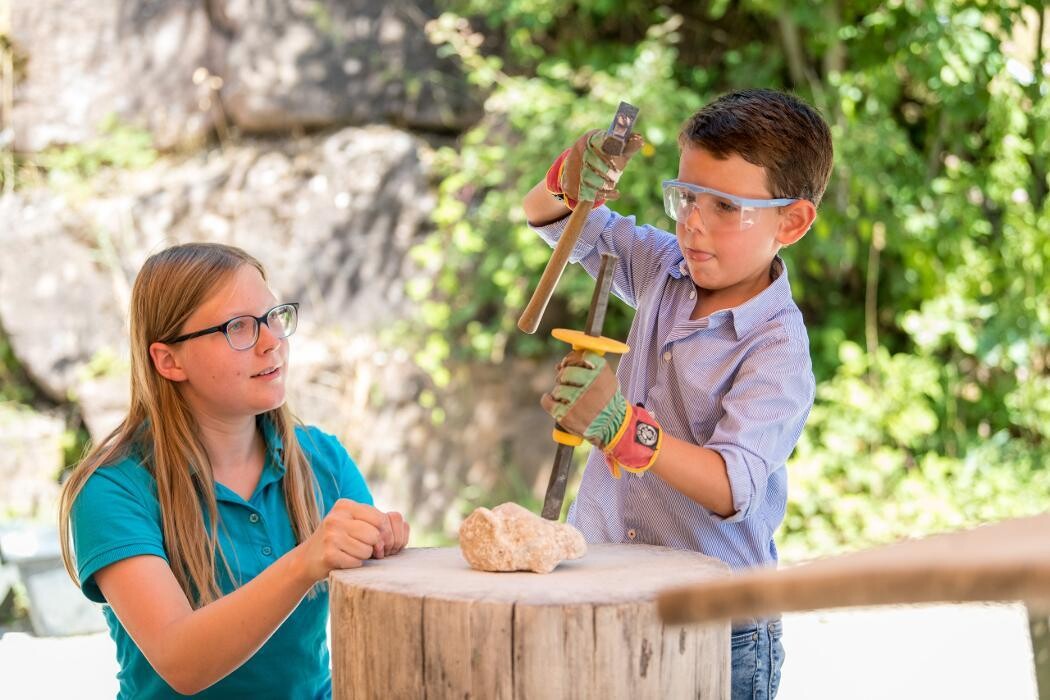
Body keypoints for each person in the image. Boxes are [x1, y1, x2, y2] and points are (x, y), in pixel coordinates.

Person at [524, 88, 833, 698]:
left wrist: (620, 428)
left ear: (791, 221)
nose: (692, 223)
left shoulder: (777, 348)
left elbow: (730, 487)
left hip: (718, 624)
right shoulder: (665, 268)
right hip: (610, 589)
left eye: (725, 206)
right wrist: (569, 174)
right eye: (686, 197)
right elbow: (551, 219)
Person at [57, 242, 409, 698]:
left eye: (273, 317)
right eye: (238, 327)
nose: (271, 343)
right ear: (168, 360)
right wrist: (306, 561)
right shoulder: (112, 488)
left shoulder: (323, 459)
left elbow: (377, 618)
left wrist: (384, 545)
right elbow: (180, 661)